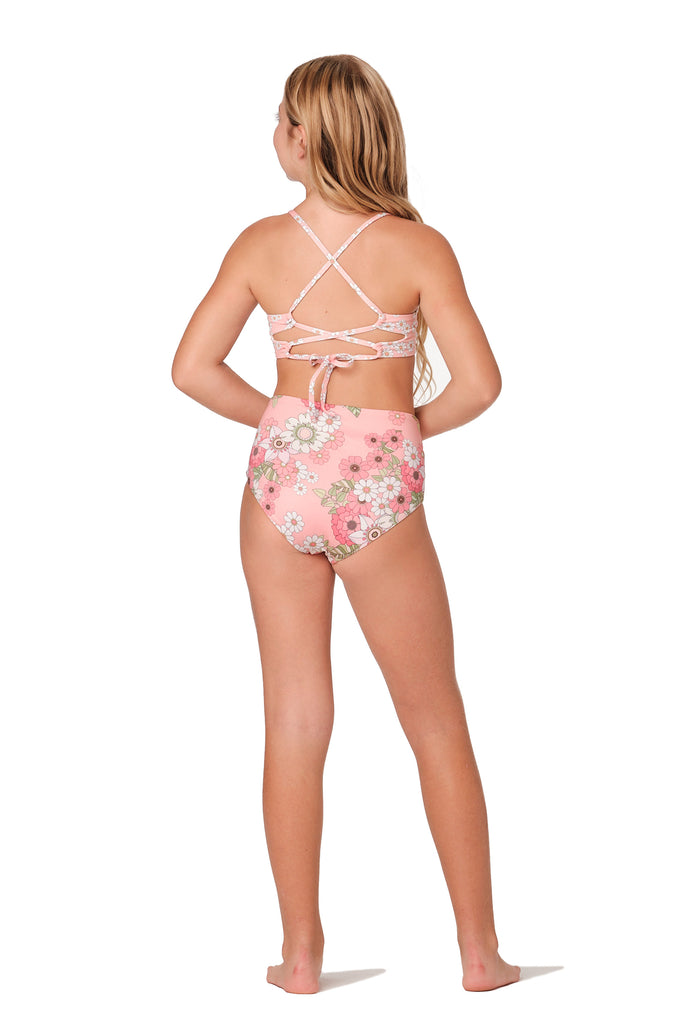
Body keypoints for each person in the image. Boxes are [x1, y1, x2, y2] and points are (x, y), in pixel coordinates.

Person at [171, 54, 520, 996]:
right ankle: (479, 955)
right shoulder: (418, 247)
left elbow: (192, 368)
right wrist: (396, 431)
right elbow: (481, 384)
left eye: (281, 118)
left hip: (278, 478)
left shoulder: (260, 244)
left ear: (304, 138)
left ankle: (299, 958)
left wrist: (292, 424)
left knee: (293, 717)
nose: (273, 133)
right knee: (433, 716)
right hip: (377, 484)